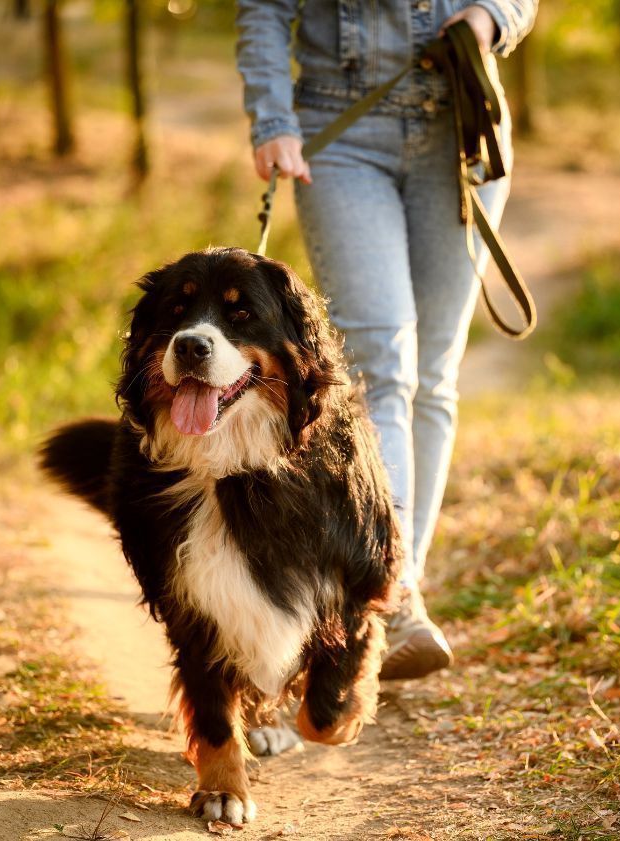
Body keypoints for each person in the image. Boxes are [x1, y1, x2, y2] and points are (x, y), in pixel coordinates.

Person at [237, 0, 537, 680]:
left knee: (432, 375)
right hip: (343, 128)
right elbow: (262, 7)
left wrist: (492, 18)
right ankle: (394, 598)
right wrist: (273, 118)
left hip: (461, 122)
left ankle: (398, 589)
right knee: (381, 365)